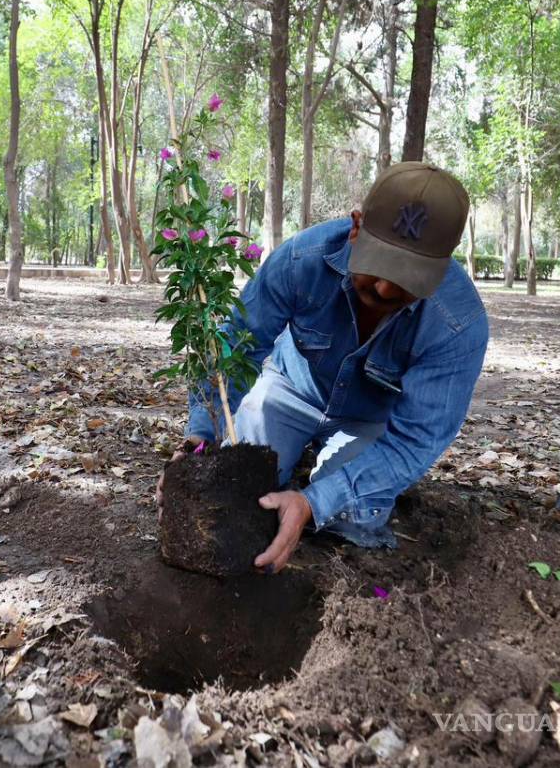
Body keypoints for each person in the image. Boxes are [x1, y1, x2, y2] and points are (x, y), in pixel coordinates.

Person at [157, 161, 489, 573]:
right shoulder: (301, 260)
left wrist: (315, 502)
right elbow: (238, 343)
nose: (385, 289)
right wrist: (200, 435)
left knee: (356, 514)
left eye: (408, 277)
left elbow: (414, 442)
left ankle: (316, 482)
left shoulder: (458, 325)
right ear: (355, 228)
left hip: (369, 421)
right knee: (239, 487)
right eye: (378, 264)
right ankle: (292, 462)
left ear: (441, 269)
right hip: (289, 391)